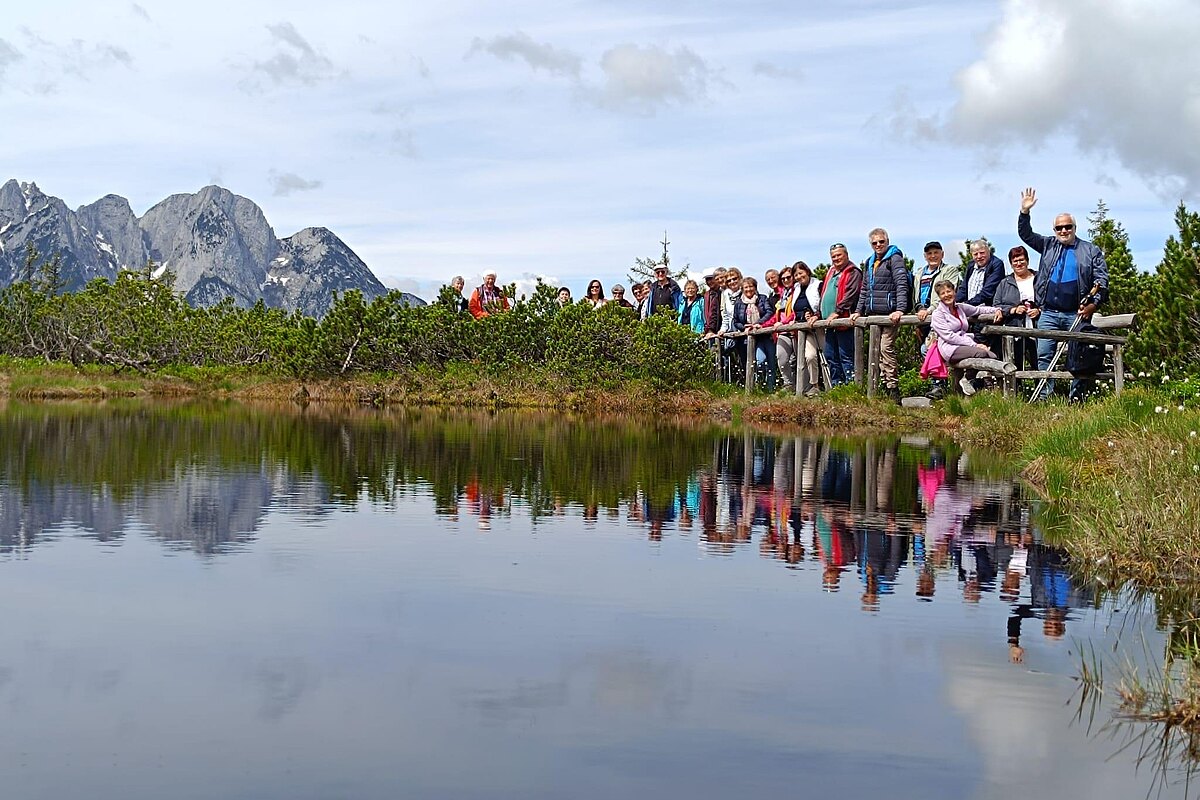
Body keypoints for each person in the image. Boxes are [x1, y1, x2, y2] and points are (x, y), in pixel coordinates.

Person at [1018, 188, 1109, 401]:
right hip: (1048, 312)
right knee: (1044, 355)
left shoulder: (1090, 250)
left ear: (1075, 228)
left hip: (1076, 313)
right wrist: (1024, 212)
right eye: (1059, 228)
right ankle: (1044, 398)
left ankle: (1076, 398)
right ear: (1054, 230)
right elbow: (1026, 235)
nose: (1064, 230)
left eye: (1068, 227)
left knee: (1080, 355)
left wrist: (1093, 305)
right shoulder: (1048, 244)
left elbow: (1102, 281)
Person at [850, 228, 911, 403]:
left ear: (887, 241)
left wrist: (900, 309)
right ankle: (882, 386)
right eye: (874, 243)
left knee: (885, 348)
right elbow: (864, 289)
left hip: (890, 313)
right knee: (875, 352)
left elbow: (901, 284)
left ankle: (893, 389)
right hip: (874, 314)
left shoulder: (895, 258)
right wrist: (858, 311)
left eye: (881, 241)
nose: (878, 245)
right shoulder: (870, 262)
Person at [930, 279, 1006, 396]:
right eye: (942, 293)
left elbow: (978, 309)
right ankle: (968, 379)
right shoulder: (938, 314)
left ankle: (983, 386)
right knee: (981, 353)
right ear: (939, 297)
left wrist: (997, 310)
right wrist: (975, 345)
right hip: (950, 348)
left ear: (954, 291)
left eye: (949, 291)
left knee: (993, 356)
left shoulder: (960, 308)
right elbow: (949, 336)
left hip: (964, 345)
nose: (947, 295)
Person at [914, 242, 961, 399]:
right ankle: (940, 386)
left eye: (936, 252)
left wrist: (928, 310)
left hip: (942, 317)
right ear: (925, 256)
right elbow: (915, 295)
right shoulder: (919, 273)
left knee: (930, 349)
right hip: (923, 319)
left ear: (942, 254)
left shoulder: (949, 271)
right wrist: (918, 311)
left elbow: (946, 295)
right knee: (929, 350)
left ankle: (940, 386)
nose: (933, 256)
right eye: (929, 253)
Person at [991, 245, 1040, 373]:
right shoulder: (1005, 283)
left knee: (1039, 362)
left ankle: (1042, 386)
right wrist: (1012, 310)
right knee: (1015, 363)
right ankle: (1016, 386)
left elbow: (1050, 300)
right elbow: (996, 304)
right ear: (1011, 263)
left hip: (1038, 327)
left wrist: (1039, 310)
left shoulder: (1039, 278)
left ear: (1027, 261)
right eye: (1015, 261)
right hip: (1014, 329)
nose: (1019, 263)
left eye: (1021, 260)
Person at [819, 243, 862, 386]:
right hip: (829, 324)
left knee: (846, 356)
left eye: (839, 255)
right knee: (830, 356)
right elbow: (824, 294)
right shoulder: (831, 272)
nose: (836, 258)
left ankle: (851, 386)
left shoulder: (853, 272)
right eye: (833, 256)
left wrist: (837, 312)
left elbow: (851, 295)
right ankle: (837, 386)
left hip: (844, 322)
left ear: (846, 255)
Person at [759, 264, 801, 389]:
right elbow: (776, 315)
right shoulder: (782, 295)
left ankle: (803, 387)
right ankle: (789, 385)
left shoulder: (797, 291)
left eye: (788, 277)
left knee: (799, 360)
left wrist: (784, 323)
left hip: (795, 330)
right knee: (782, 358)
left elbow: (796, 311)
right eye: (784, 279)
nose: (786, 280)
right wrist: (761, 325)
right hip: (782, 331)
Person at [735, 276, 778, 391]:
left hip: (766, 334)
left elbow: (769, 312)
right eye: (746, 287)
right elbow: (736, 321)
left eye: (751, 286)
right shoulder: (739, 303)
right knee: (760, 361)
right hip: (752, 337)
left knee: (771, 361)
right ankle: (760, 386)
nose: (748, 289)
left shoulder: (762, 298)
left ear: (755, 287)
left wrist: (758, 323)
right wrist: (744, 327)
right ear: (742, 289)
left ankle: (771, 388)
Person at [793, 262, 823, 396]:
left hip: (819, 326)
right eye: (796, 275)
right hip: (804, 328)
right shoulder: (796, 289)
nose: (799, 277)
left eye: (801, 273)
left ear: (807, 271)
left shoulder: (818, 285)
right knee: (809, 356)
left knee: (825, 356)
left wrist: (816, 315)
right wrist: (801, 316)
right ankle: (815, 386)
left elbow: (823, 303)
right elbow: (796, 309)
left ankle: (831, 386)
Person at [956, 239, 1006, 307]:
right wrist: (954, 302)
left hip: (988, 308)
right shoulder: (971, 265)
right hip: (969, 308)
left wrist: (967, 304)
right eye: (975, 254)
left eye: (982, 253)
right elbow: (963, 289)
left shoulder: (996, 264)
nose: (979, 256)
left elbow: (988, 292)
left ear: (988, 251)